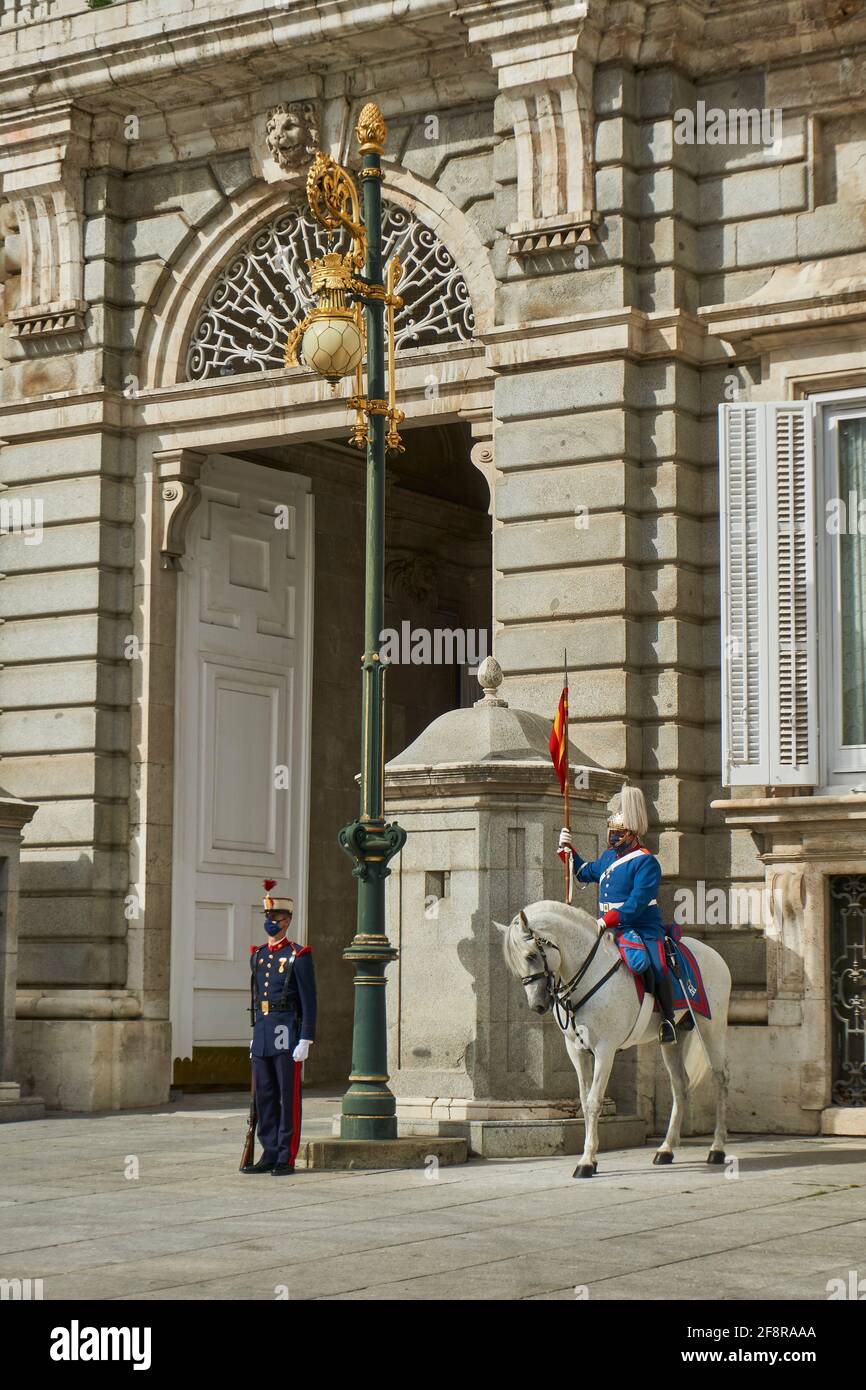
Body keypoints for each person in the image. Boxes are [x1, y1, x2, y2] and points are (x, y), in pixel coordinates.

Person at [558, 786, 678, 1044]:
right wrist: (569, 851)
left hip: (642, 926)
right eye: (611, 832)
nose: (613, 838)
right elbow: (584, 873)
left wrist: (607, 919)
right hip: (607, 927)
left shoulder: (646, 862)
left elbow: (636, 904)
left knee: (656, 965)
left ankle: (668, 1020)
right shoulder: (609, 857)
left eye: (618, 833)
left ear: (632, 835)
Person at [242, 880, 317, 1176]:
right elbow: (256, 996)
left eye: (276, 919)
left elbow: (309, 999)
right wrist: (254, 1034)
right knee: (264, 1094)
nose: (271, 923)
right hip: (263, 1030)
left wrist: (306, 1038)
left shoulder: (299, 956)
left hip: (286, 1029)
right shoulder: (258, 956)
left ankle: (286, 1155)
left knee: (288, 1094)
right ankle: (269, 1151)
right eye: (268, 918)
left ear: (288, 921)